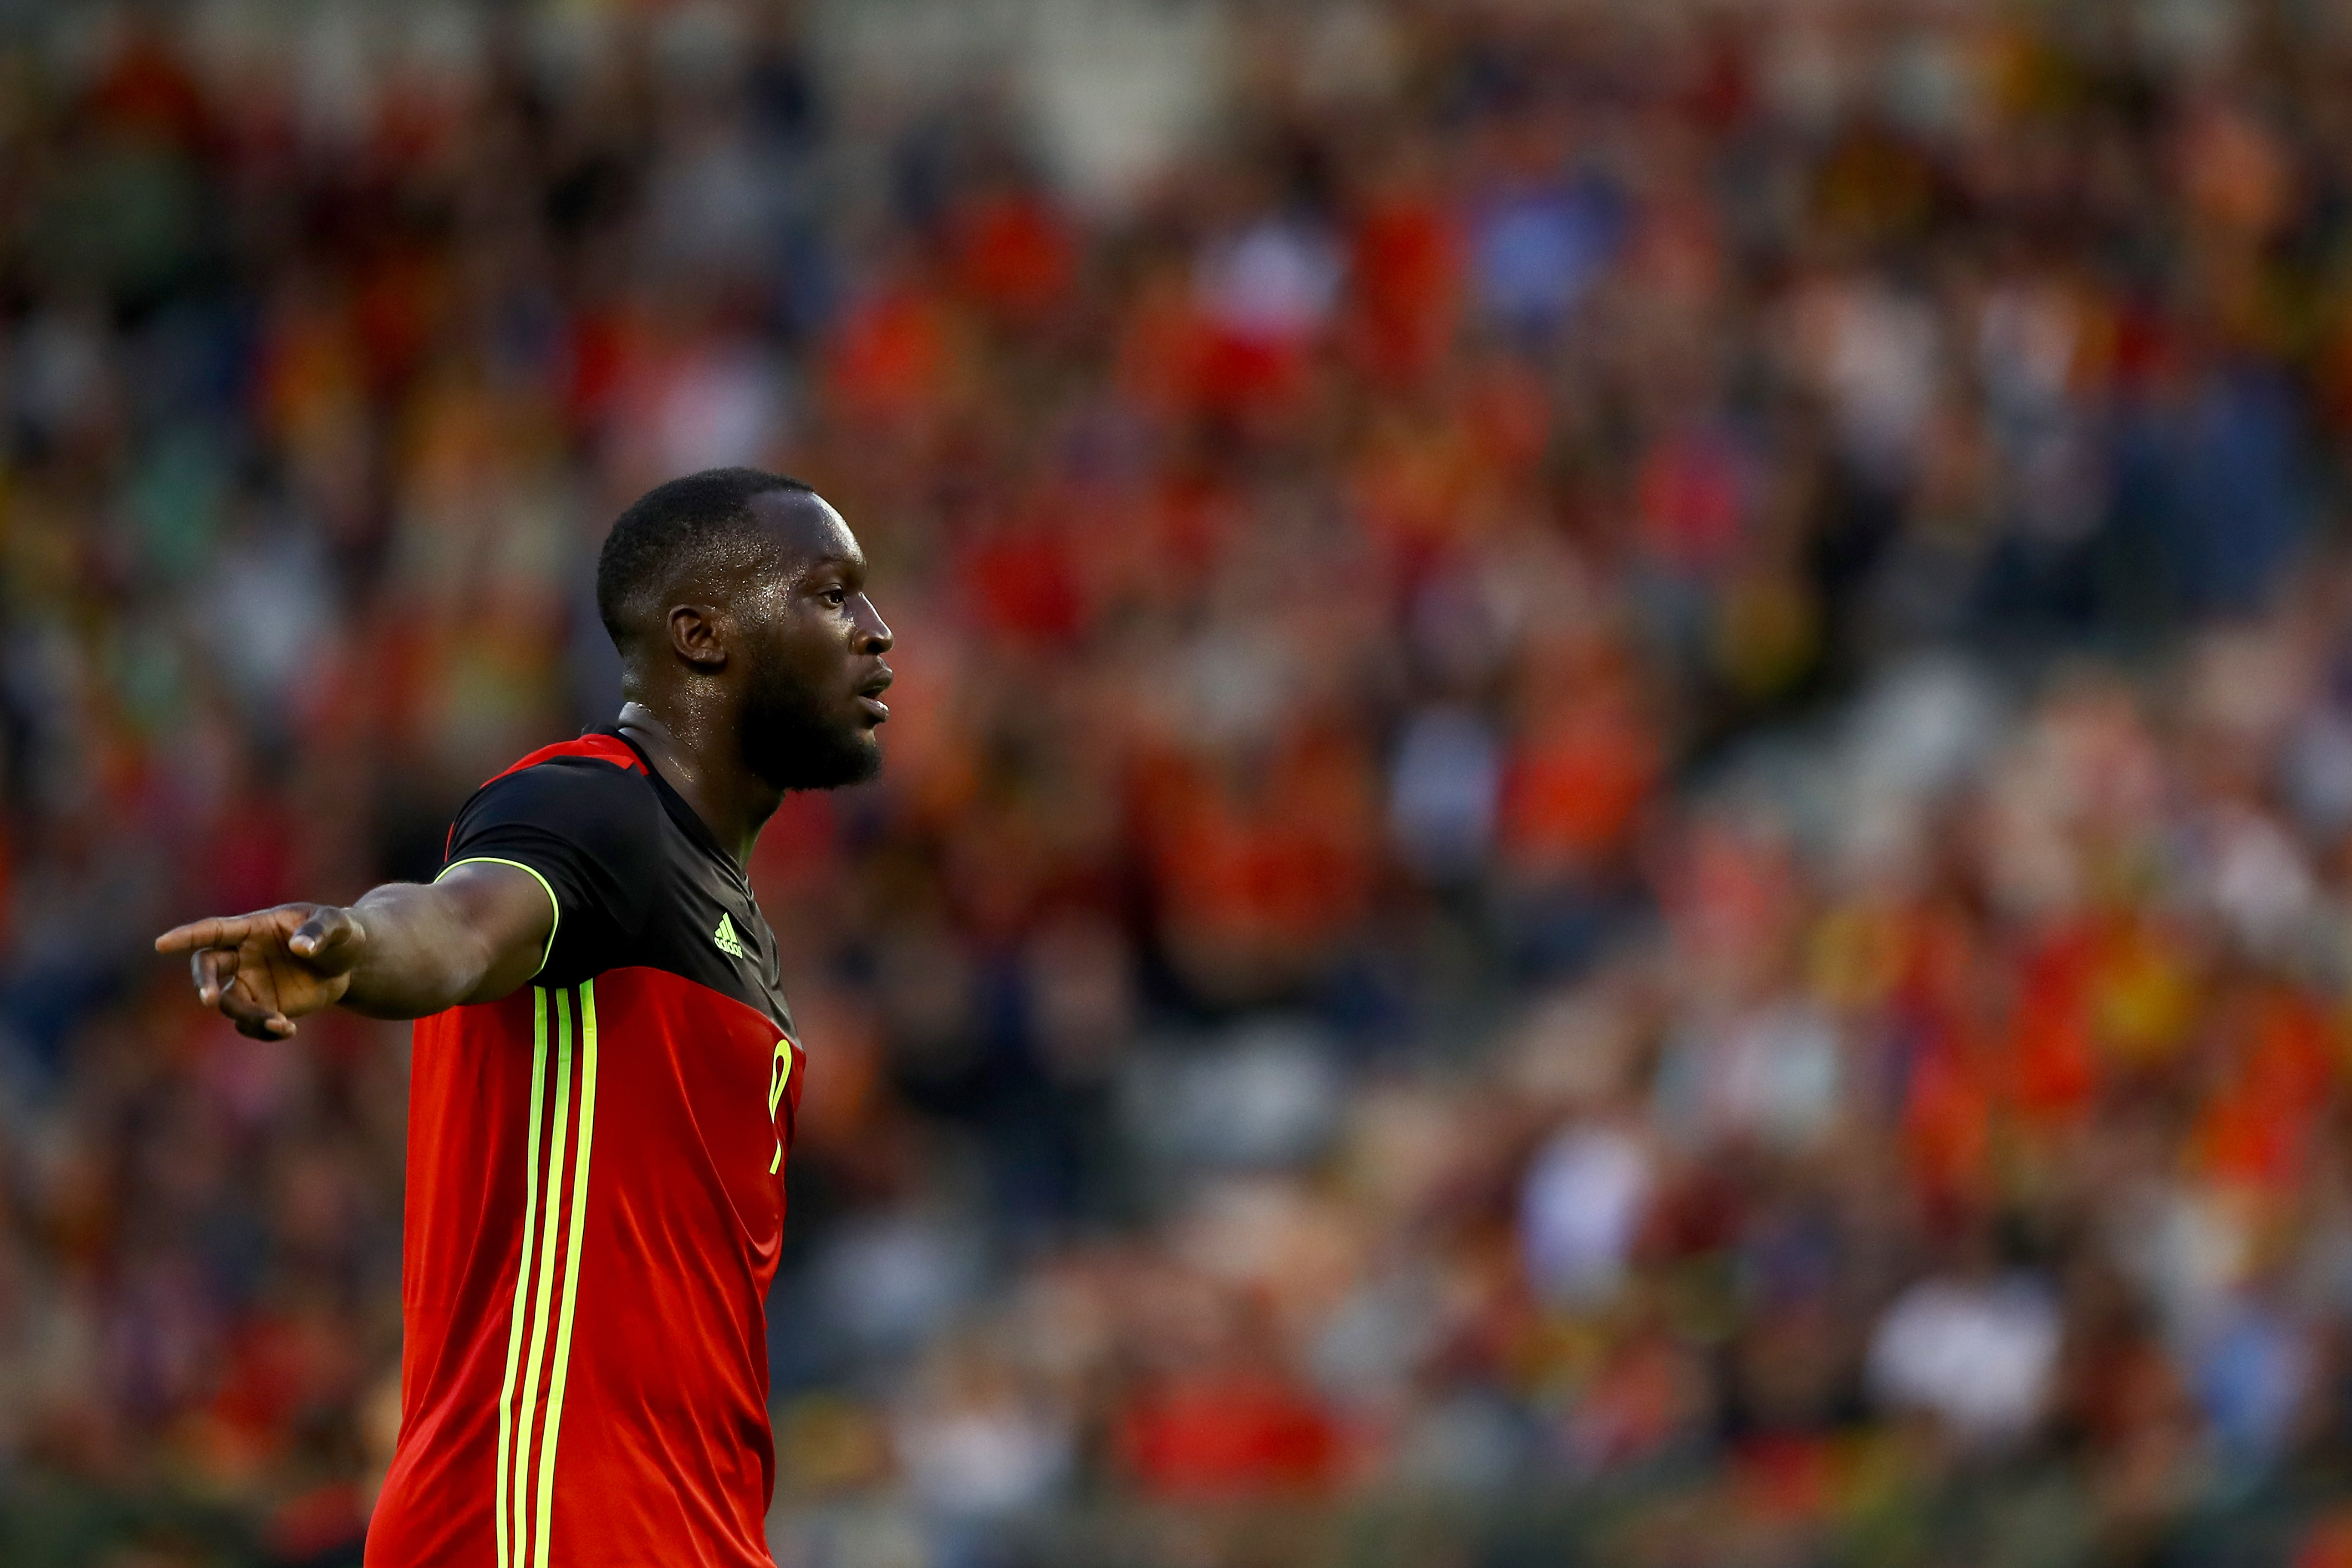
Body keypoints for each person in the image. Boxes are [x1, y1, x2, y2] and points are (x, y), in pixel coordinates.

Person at [156, 469, 895, 1568]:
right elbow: (460, 922)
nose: (876, 630)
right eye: (831, 595)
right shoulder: (594, 805)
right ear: (702, 636)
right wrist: (353, 946)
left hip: (688, 1530)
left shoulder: (726, 912)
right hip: (539, 1516)